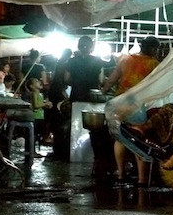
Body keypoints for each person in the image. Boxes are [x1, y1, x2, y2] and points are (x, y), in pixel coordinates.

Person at [101, 36, 160, 186]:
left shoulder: (124, 59)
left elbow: (112, 79)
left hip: (119, 102)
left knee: (120, 138)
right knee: (138, 139)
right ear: (153, 49)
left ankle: (120, 174)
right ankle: (141, 179)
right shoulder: (153, 63)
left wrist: (104, 90)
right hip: (136, 105)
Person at [65, 36, 110, 180]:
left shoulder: (71, 61)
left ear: (79, 46)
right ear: (91, 47)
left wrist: (77, 81)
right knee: (95, 128)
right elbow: (101, 80)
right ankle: (94, 156)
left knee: (74, 125)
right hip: (92, 97)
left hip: (76, 94)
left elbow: (66, 79)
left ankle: (72, 154)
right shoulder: (98, 61)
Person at [47, 48, 73, 160]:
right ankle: (59, 151)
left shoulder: (59, 63)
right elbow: (65, 80)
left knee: (56, 123)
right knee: (59, 123)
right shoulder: (65, 64)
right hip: (58, 94)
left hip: (54, 93)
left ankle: (57, 150)